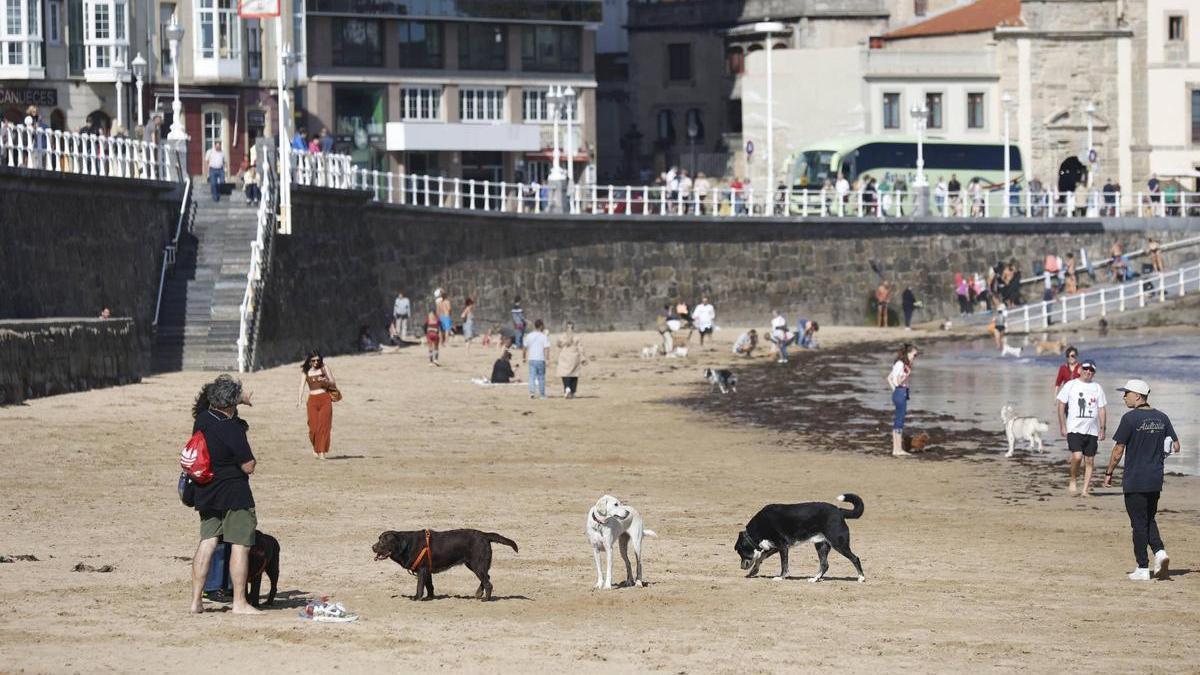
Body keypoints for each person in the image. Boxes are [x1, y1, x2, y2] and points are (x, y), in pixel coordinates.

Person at [188, 375, 260, 614]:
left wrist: (240, 400)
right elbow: (247, 465)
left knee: (207, 542)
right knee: (240, 545)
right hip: (234, 492)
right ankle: (239, 602)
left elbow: (215, 398)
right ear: (231, 403)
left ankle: (196, 602)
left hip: (206, 489)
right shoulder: (232, 428)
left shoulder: (202, 419)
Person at [1103, 379, 1180, 581]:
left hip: (1135, 478)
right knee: (1148, 518)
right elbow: (1176, 445)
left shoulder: (1130, 419)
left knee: (1138, 523)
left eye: (1126, 393)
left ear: (1137, 396)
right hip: (1155, 478)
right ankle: (1160, 553)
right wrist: (1160, 451)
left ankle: (1142, 568)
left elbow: (1118, 449)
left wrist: (1109, 471)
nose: (1123, 396)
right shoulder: (1162, 417)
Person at [1056, 360, 1107, 497]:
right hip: (1074, 428)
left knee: (1089, 460)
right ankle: (1073, 479)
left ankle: (1085, 490)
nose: (1088, 372)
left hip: (1092, 430)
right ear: (1080, 369)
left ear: (1094, 373)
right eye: (1085, 369)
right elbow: (1061, 404)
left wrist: (1102, 428)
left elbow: (1101, 409)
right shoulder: (1071, 385)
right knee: (1077, 457)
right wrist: (1062, 425)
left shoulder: (1097, 387)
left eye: (1091, 370)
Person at [297, 352, 335, 458]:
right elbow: (301, 386)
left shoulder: (324, 368)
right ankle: (316, 447)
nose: (316, 362)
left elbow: (333, 382)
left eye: (318, 360)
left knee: (324, 427)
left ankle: (321, 452)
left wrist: (325, 380)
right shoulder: (306, 371)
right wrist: (299, 400)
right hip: (312, 401)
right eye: (313, 360)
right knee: (313, 428)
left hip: (325, 400)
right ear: (309, 361)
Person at [887, 343, 919, 457]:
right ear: (908, 353)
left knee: (897, 422)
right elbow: (897, 380)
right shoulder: (901, 364)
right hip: (900, 392)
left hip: (899, 392)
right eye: (914, 355)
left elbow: (889, 378)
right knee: (899, 422)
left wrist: (895, 390)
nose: (915, 357)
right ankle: (898, 449)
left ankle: (896, 449)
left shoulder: (900, 364)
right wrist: (907, 374)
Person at [556, 321, 586, 398]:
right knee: (574, 374)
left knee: (565, 373)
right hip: (574, 356)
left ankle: (567, 388)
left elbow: (558, 345)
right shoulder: (577, 337)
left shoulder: (561, 337)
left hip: (564, 357)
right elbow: (581, 348)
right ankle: (573, 391)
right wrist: (583, 357)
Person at [522, 319, 550, 399]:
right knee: (541, 377)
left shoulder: (529, 336)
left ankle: (532, 392)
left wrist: (524, 357)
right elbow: (546, 348)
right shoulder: (544, 336)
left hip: (532, 359)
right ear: (541, 326)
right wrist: (547, 359)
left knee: (532, 376)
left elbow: (524, 348)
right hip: (540, 359)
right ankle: (542, 394)